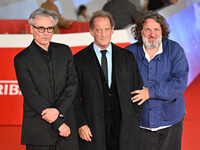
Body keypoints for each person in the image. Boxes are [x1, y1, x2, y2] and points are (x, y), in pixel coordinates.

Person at [73, 10, 143, 150]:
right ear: (91, 32)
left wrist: (133, 119)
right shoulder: (79, 60)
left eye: (106, 29)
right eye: (99, 30)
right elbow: (73, 97)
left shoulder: (127, 57)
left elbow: (137, 90)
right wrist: (81, 123)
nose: (103, 34)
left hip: (124, 129)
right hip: (93, 129)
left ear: (112, 30)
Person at [14, 8, 79, 150]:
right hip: (39, 130)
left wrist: (58, 111)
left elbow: (72, 84)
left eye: (50, 28)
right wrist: (58, 123)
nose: (46, 33)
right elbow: (32, 96)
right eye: (41, 28)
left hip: (67, 128)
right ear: (31, 29)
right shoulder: (21, 59)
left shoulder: (65, 51)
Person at [125, 11, 189, 150]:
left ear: (162, 31)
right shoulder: (128, 53)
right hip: (141, 123)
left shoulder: (175, 50)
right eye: (147, 29)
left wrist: (150, 92)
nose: (152, 34)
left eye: (156, 29)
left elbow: (180, 82)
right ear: (140, 31)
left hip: (170, 122)